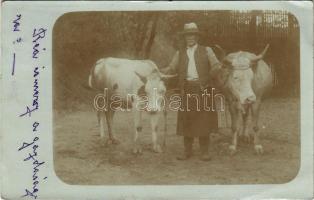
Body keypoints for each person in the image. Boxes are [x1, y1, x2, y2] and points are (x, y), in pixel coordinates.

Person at [161, 22, 221, 161]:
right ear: (184, 37)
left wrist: (207, 79)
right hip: (186, 90)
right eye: (188, 35)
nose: (190, 37)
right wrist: (155, 70)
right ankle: (187, 151)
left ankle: (204, 152)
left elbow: (217, 66)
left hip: (203, 90)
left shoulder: (207, 51)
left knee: (204, 121)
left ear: (197, 36)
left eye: (192, 35)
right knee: (186, 121)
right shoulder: (179, 53)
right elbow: (170, 68)